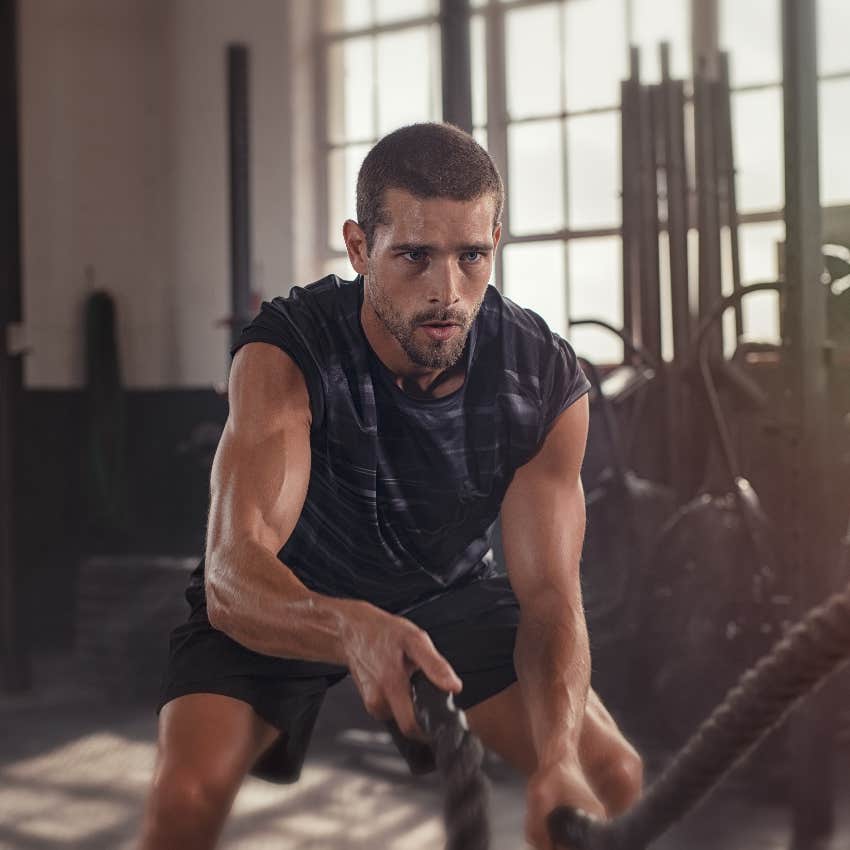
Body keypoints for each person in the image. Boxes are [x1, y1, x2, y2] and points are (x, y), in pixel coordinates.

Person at [139, 122, 642, 850]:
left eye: (471, 256)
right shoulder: (290, 351)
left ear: (494, 242)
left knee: (607, 780)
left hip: (444, 592)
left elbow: (550, 598)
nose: (447, 292)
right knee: (184, 799)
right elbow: (230, 573)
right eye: (414, 255)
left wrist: (557, 759)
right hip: (291, 590)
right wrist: (351, 628)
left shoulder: (541, 378)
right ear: (358, 248)